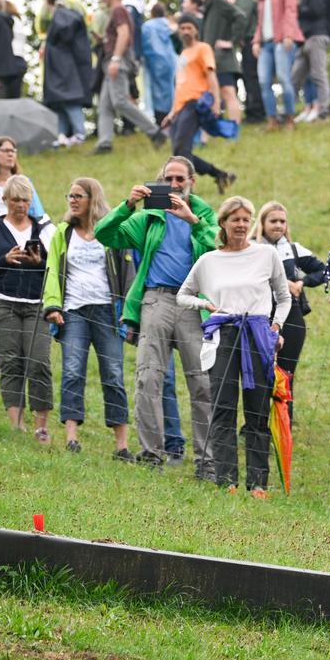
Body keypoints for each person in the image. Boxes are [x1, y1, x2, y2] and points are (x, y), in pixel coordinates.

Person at [96, 157, 218, 473]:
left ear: (192, 180)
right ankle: (152, 454)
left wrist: (193, 221)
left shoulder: (204, 215)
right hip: (157, 299)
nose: (175, 185)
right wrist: (128, 204)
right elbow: (104, 234)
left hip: (194, 303)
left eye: (180, 178)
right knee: (149, 377)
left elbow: (217, 252)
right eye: (169, 178)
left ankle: (206, 460)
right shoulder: (149, 217)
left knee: (202, 382)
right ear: (160, 180)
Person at [178, 195, 289, 497]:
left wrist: (275, 325)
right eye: (234, 219)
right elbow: (182, 295)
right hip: (223, 334)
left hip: (256, 333)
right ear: (223, 223)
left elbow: (284, 295)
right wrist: (205, 304)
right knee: (224, 407)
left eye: (245, 219)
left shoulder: (267, 255)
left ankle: (258, 483)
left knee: (257, 410)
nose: (240, 225)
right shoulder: (208, 261)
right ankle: (227, 480)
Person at [40, 177, 130, 455]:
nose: (73, 200)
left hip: (107, 312)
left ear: (94, 199)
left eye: (79, 195)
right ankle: (71, 439)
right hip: (74, 312)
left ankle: (122, 445)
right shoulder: (63, 232)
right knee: (72, 371)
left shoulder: (111, 233)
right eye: (70, 196)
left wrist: (128, 311)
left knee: (114, 374)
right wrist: (52, 306)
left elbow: (127, 273)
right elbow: (52, 270)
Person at [0, 174, 55, 439]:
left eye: (25, 200)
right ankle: (16, 426)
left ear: (31, 202)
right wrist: (4, 259)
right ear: (5, 199)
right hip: (1, 302)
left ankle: (41, 427)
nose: (20, 205)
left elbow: (56, 271)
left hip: (36, 303)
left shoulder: (44, 231)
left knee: (40, 361)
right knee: (10, 361)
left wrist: (38, 262)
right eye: (15, 200)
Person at [164, 9, 236, 195]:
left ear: (196, 30)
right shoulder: (183, 54)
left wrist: (216, 102)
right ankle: (221, 174)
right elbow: (179, 87)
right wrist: (172, 112)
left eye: (189, 27)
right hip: (180, 107)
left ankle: (187, 190)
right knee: (179, 152)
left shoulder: (203, 48)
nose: (186, 31)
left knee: (181, 150)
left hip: (196, 103)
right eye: (182, 28)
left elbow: (211, 75)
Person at [89, 0, 161, 154]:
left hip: (117, 62)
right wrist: (104, 40)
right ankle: (105, 144)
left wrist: (115, 59)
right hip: (111, 62)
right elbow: (118, 35)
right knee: (105, 105)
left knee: (120, 101)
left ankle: (155, 132)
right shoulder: (118, 12)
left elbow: (124, 34)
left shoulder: (119, 10)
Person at [258, 201, 322, 386]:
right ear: (262, 223)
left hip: (292, 315)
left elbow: (323, 271)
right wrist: (284, 283)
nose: (278, 225)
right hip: (261, 314)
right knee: (260, 378)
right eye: (273, 221)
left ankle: (285, 416)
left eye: (282, 221)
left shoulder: (294, 249)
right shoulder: (252, 248)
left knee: (285, 378)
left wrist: (302, 282)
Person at [252, 0, 301, 129]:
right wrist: (256, 41)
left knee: (283, 78)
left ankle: (289, 117)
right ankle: (272, 120)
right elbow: (260, 21)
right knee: (264, 81)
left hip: (282, 40)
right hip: (266, 44)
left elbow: (290, 11)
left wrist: (288, 34)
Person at [40, 0, 95, 145]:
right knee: (60, 102)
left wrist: (52, 44)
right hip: (63, 66)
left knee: (70, 101)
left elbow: (64, 31)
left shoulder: (62, 16)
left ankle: (79, 134)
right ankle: (61, 135)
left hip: (64, 67)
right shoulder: (65, 15)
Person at [198, 0, 246, 123]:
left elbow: (240, 16)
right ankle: (215, 131)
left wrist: (232, 41)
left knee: (228, 92)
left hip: (222, 57)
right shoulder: (208, 5)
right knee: (213, 94)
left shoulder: (218, 1)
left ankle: (234, 131)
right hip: (211, 58)